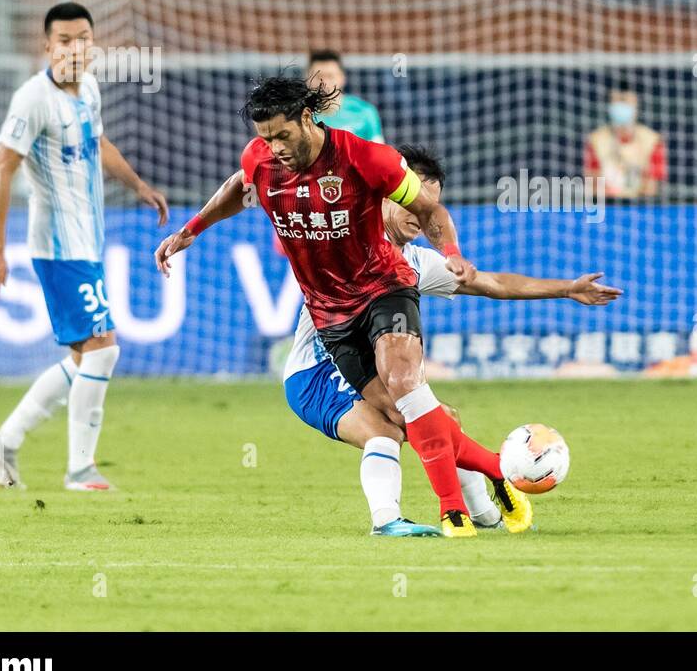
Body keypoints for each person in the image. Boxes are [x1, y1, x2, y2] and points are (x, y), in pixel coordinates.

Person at [153, 77, 521, 537]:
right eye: (266, 138)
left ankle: (455, 514)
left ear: (307, 119)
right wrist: (190, 231)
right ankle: (498, 471)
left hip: (386, 288)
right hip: (333, 317)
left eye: (282, 135)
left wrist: (452, 255)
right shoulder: (261, 159)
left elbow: (430, 210)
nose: (275, 148)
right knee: (409, 418)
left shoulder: (365, 158)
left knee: (408, 387)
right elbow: (237, 185)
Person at [280, 144, 621, 536]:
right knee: (395, 427)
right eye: (413, 204)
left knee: (440, 420)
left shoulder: (417, 261)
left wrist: (566, 289)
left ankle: (485, 515)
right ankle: (440, 499)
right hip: (317, 372)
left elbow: (494, 284)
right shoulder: (349, 247)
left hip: (365, 369)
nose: (420, 217)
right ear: (387, 195)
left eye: (429, 209)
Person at [0, 2, 169, 491]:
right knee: (103, 349)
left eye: (83, 37)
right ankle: (80, 468)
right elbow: (2, 169)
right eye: (64, 40)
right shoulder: (32, 99)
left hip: (88, 239)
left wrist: (138, 185)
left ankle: (3, 442)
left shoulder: (89, 89)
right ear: (47, 46)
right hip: (58, 245)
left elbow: (99, 143)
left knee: (87, 357)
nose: (75, 47)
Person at [583, 86, 667, 198]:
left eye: (626, 101)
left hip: (640, 206)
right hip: (608, 205)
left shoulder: (652, 140)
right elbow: (592, 185)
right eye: (617, 101)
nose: (621, 106)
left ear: (637, 105)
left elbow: (652, 187)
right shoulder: (596, 140)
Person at [308, 50, 384, 142]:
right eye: (318, 77)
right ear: (307, 78)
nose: (324, 83)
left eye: (330, 76)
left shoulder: (363, 111)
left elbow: (378, 150)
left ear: (342, 78)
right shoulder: (299, 114)